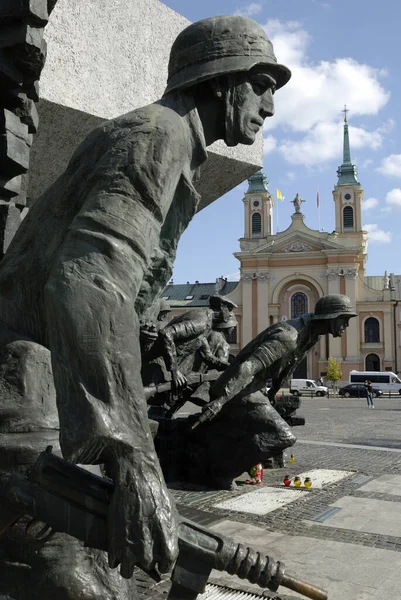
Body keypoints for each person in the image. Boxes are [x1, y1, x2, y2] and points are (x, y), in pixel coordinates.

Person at [0, 14, 291, 599]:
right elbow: (90, 281)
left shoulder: (177, 148)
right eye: (261, 83)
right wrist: (133, 458)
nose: (269, 106)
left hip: (43, 399)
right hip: (19, 400)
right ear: (220, 79)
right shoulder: (156, 135)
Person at [195, 294, 357, 427]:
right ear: (331, 317)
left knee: (286, 414)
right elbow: (248, 366)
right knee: (283, 435)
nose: (347, 325)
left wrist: (273, 393)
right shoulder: (289, 337)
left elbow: (288, 368)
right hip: (237, 388)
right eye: (344, 319)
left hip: (254, 388)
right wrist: (220, 401)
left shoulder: (311, 336)